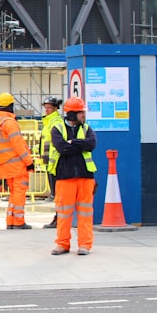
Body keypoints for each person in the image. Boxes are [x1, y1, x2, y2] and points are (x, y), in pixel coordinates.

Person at [50, 97, 97, 256]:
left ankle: (85, 245)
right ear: (71, 114)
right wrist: (79, 144)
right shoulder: (57, 128)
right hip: (65, 176)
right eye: (81, 112)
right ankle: (62, 244)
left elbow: (91, 145)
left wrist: (72, 142)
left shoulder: (87, 128)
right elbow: (62, 148)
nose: (83, 115)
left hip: (85, 177)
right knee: (63, 213)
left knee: (85, 214)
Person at [0, 92, 35, 229]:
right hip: (15, 163)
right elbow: (18, 144)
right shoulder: (9, 123)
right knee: (19, 191)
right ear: (11, 106)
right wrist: (28, 161)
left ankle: (11, 221)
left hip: (1, 163)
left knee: (14, 192)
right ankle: (18, 221)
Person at [39, 96, 64, 228]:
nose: (46, 110)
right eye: (46, 107)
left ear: (55, 108)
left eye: (49, 107)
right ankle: (58, 217)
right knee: (56, 193)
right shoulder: (48, 122)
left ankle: (59, 218)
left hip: (55, 164)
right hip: (50, 164)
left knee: (58, 193)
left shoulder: (55, 122)